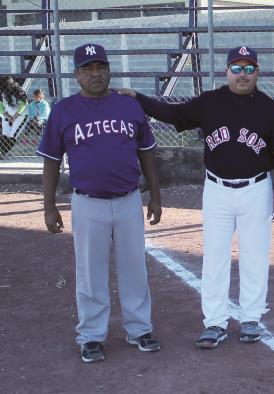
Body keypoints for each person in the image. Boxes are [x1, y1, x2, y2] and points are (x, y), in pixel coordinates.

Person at [119, 46, 274, 349]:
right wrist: (139, 99)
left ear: (257, 72)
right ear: (226, 72)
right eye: (236, 68)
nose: (243, 74)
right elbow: (173, 113)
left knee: (255, 256)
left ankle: (252, 318)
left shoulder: (270, 108)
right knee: (214, 257)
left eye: (248, 68)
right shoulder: (210, 102)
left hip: (257, 189)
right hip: (217, 190)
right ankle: (215, 322)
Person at [37, 43, 162, 363]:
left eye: (101, 67)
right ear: (77, 75)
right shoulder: (64, 110)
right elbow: (51, 161)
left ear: (109, 70)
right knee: (90, 273)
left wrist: (156, 195)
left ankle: (139, 329)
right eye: (88, 68)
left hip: (128, 200)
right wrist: (48, 206)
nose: (96, 74)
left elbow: (147, 152)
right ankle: (91, 336)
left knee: (134, 268)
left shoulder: (128, 107)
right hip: (87, 203)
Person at [0, 76, 28, 158]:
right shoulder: (1, 91)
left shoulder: (18, 90)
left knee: (12, 135)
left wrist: (15, 116)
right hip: (7, 114)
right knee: (5, 134)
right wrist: (7, 116)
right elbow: (0, 106)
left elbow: (23, 105)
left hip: (21, 115)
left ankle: (2, 152)